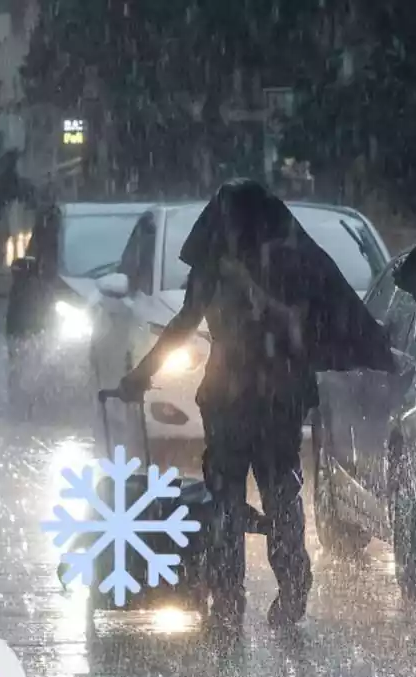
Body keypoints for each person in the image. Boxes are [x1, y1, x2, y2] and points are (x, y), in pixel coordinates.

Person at [116, 181, 318, 628]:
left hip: (233, 399)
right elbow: (306, 327)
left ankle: (230, 597)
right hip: (272, 398)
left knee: (228, 499)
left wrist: (142, 375)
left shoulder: (218, 267)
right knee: (278, 492)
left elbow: (184, 323)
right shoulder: (285, 261)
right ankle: (287, 585)